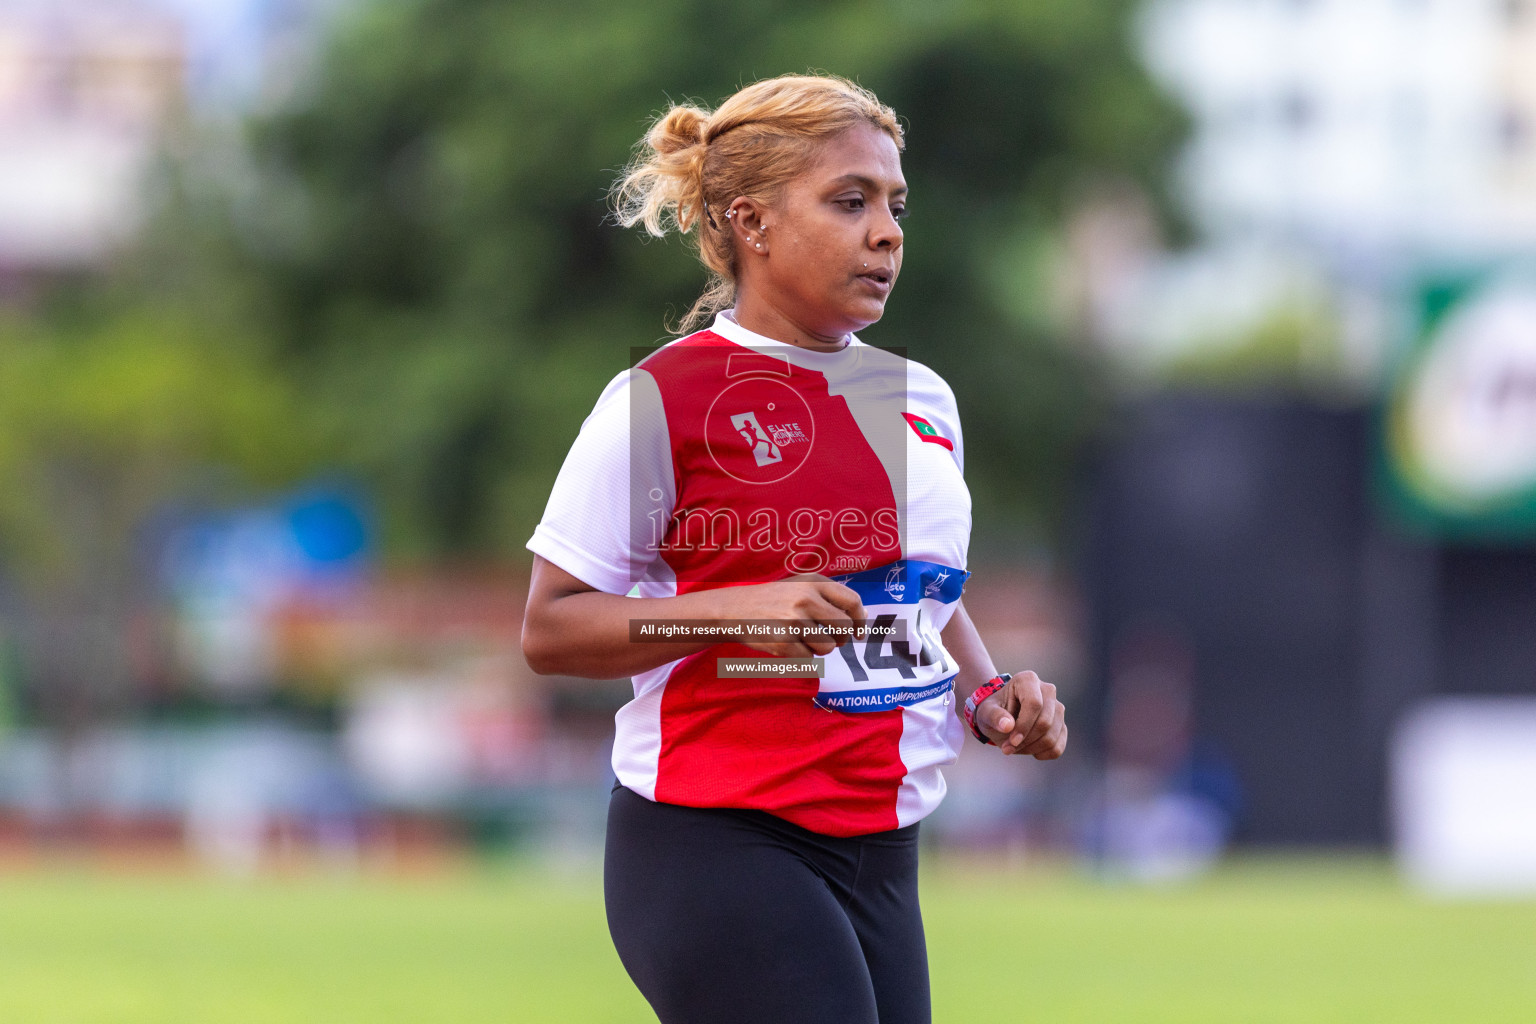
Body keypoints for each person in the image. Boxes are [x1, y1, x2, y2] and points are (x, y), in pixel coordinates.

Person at [521, 74, 1067, 1024]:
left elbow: (918, 591)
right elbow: (552, 629)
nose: (888, 232)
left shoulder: (923, 398)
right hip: (712, 838)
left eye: (895, 205)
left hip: (883, 845)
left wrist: (986, 697)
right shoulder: (660, 398)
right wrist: (740, 606)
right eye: (849, 202)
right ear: (753, 223)